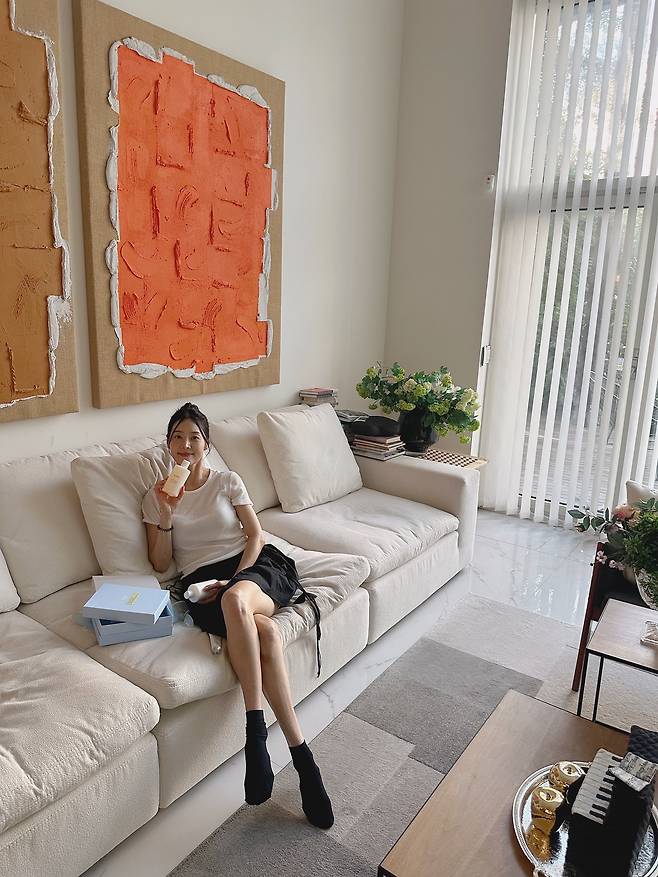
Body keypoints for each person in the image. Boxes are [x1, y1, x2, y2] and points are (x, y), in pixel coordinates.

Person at [142, 402, 334, 828]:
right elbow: (160, 563)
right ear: (168, 445)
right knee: (265, 633)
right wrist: (167, 515)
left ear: (207, 445)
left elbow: (256, 535)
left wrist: (236, 580)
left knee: (236, 602)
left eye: (194, 438)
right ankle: (303, 759)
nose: (186, 445)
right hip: (203, 585)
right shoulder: (157, 496)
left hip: (252, 568)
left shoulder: (227, 481)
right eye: (177, 437)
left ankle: (255, 733)